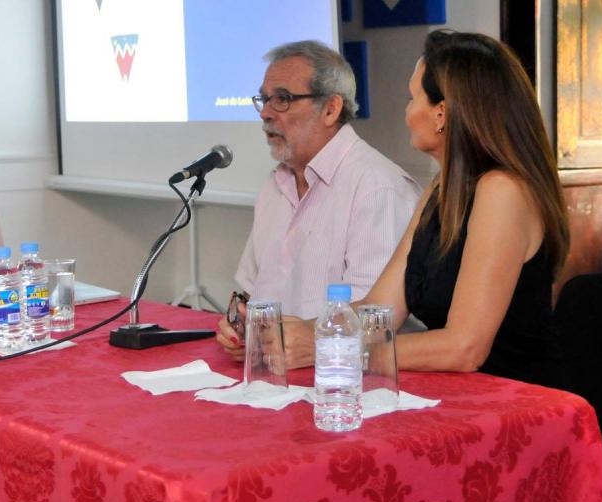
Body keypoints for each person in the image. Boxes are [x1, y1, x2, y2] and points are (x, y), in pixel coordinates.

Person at [269, 30, 569, 387]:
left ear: (441, 113)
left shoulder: (502, 191)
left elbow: (464, 348)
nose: (407, 111)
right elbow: (381, 310)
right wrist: (298, 331)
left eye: (413, 98)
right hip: (458, 392)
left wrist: (333, 348)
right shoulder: (441, 189)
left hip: (518, 398)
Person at [218, 41, 420, 350]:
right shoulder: (276, 184)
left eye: (282, 99)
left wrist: (304, 342)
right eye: (264, 99)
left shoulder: (378, 187)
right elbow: (251, 292)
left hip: (344, 372)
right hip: (275, 368)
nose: (266, 114)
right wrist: (239, 327)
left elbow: (377, 321)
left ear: (330, 109)